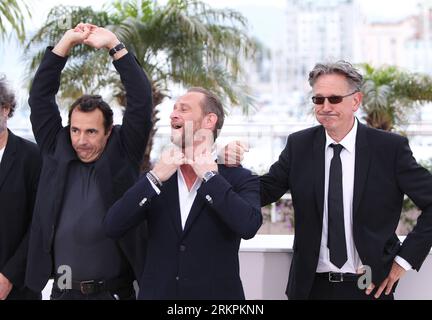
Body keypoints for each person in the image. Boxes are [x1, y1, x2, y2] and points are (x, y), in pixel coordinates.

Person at [233, 61, 432, 300]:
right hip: (311, 289)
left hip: (368, 285)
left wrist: (404, 260)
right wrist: (225, 166)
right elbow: (264, 190)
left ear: (356, 101)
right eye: (318, 99)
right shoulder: (299, 146)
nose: (325, 107)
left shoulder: (389, 149)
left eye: (334, 99)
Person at [25, 24, 152, 300]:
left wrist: (114, 45)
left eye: (91, 131)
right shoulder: (54, 146)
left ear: (108, 131)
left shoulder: (125, 149)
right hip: (62, 292)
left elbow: (141, 101)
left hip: (113, 293)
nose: (81, 140)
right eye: (75, 130)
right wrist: (65, 43)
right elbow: (39, 97)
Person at [104, 87, 262, 300]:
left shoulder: (239, 177)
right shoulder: (156, 177)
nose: (173, 114)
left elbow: (249, 225)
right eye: (174, 109)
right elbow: (113, 225)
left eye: (183, 109)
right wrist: (154, 178)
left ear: (209, 121)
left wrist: (210, 178)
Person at [0, 76, 42, 300]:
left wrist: (8, 277)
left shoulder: (32, 157)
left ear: (5, 109)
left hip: (19, 288)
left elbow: (40, 223)